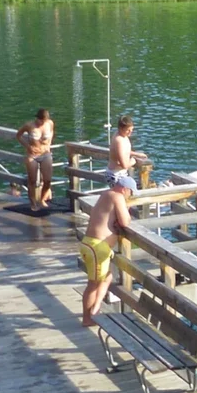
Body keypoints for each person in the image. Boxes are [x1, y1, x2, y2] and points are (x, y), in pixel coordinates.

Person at [80, 173, 134, 326]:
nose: (130, 196)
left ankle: (95, 309)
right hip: (97, 247)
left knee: (107, 277)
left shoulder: (106, 194)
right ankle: (87, 319)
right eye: (130, 192)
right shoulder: (117, 196)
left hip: (91, 244)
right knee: (93, 284)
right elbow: (125, 222)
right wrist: (127, 210)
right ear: (124, 189)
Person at [16, 108, 56, 212]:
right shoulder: (29, 125)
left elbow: (52, 132)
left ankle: (42, 199)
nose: (41, 123)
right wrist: (27, 146)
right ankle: (33, 202)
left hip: (45, 154)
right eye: (40, 120)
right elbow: (18, 135)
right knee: (32, 180)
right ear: (37, 118)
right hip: (32, 155)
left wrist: (49, 144)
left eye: (44, 121)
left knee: (47, 180)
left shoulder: (50, 123)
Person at [108, 115, 148, 181]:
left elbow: (125, 151)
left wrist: (137, 154)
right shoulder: (119, 140)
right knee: (132, 186)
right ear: (121, 129)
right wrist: (133, 161)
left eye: (131, 129)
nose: (130, 132)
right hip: (115, 175)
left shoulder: (123, 135)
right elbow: (124, 165)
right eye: (128, 130)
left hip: (120, 173)